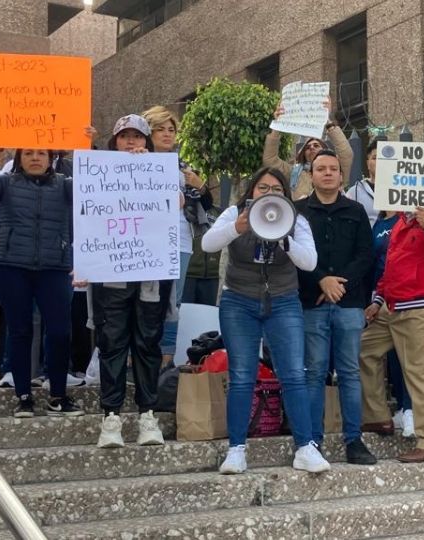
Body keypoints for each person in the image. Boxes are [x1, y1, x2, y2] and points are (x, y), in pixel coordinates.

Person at [0, 125, 89, 417]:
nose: (35, 157)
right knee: (20, 331)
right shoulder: (6, 184)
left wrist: (86, 147)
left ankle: (58, 396)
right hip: (12, 268)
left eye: (41, 152)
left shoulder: (66, 185)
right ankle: (24, 396)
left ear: (51, 157)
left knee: (60, 332)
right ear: (19, 157)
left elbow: (94, 187)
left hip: (54, 268)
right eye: (29, 152)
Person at [202, 166, 329, 474]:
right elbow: (208, 243)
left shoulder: (296, 220)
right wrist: (239, 228)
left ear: (285, 194)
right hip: (238, 301)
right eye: (263, 188)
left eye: (276, 189)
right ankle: (236, 449)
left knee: (293, 374)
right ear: (252, 191)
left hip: (283, 301)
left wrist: (283, 238)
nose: (269, 193)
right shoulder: (235, 213)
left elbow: (310, 262)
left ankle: (305, 447)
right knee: (242, 375)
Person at [91, 115, 169, 448]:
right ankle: (110, 417)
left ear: (148, 143)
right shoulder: (96, 175)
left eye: (138, 137)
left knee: (148, 343)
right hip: (112, 272)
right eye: (125, 137)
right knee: (112, 342)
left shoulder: (163, 171)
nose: (132, 143)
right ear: (114, 142)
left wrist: (155, 173)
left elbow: (177, 205)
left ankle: (147, 415)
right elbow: (87, 214)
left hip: (151, 273)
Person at [358, 206, 424, 463]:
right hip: (392, 305)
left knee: (419, 371)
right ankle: (377, 417)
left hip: (421, 306)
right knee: (362, 350)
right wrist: (378, 299)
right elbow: (392, 265)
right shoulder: (403, 219)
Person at [295, 149, 377, 465]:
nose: (327, 173)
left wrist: (338, 286)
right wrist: (321, 281)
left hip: (349, 303)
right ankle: (312, 441)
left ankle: (353, 441)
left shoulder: (356, 211)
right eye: (321, 168)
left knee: (350, 372)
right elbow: (295, 253)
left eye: (333, 169)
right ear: (311, 174)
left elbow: (365, 256)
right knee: (314, 372)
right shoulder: (298, 211)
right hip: (311, 303)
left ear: (342, 176)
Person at [142, 106, 203, 368]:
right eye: (160, 129)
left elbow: (205, 203)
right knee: (144, 297)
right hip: (144, 239)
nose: (167, 134)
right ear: (149, 131)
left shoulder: (184, 167)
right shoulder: (136, 160)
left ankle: (166, 358)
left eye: (171, 130)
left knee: (172, 302)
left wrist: (198, 185)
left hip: (179, 240)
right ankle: (141, 354)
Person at [368, 207, 413, 437]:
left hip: (405, 296)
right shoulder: (378, 223)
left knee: (407, 356)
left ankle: (410, 411)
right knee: (384, 354)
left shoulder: (407, 218)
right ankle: (392, 410)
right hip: (381, 295)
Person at [263, 99, 353, 200]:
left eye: (316, 145)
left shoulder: (335, 169)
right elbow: (270, 160)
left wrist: (327, 121)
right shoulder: (293, 172)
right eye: (307, 147)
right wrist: (277, 126)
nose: (312, 148)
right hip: (302, 214)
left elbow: (346, 154)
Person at [346, 140, 380, 226]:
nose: (380, 161)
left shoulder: (401, 191)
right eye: (375, 158)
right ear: (368, 163)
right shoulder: (354, 192)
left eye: (384, 158)